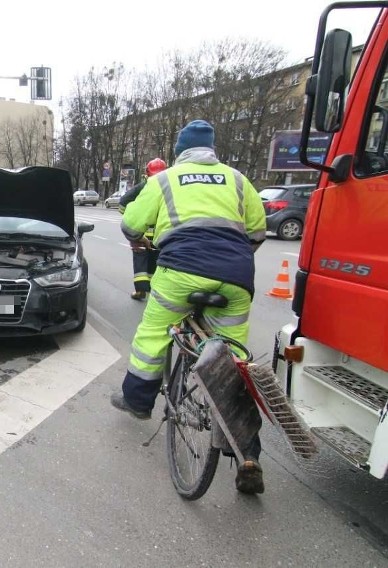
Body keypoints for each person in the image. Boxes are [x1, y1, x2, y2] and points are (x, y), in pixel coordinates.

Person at [110, 120, 268, 495]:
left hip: (181, 271)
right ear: (212, 150)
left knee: (151, 336)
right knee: (232, 361)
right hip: (235, 276)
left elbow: (131, 224)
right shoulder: (237, 179)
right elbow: (257, 232)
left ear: (181, 150)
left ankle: (138, 400)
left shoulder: (165, 179)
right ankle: (247, 451)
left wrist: (145, 239)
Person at [119, 158, 168, 300]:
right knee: (154, 261)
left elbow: (122, 204)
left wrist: (134, 216)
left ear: (147, 172)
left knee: (140, 260)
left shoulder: (143, 186)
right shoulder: (169, 187)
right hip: (160, 234)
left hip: (141, 233)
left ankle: (141, 292)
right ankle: (153, 292)